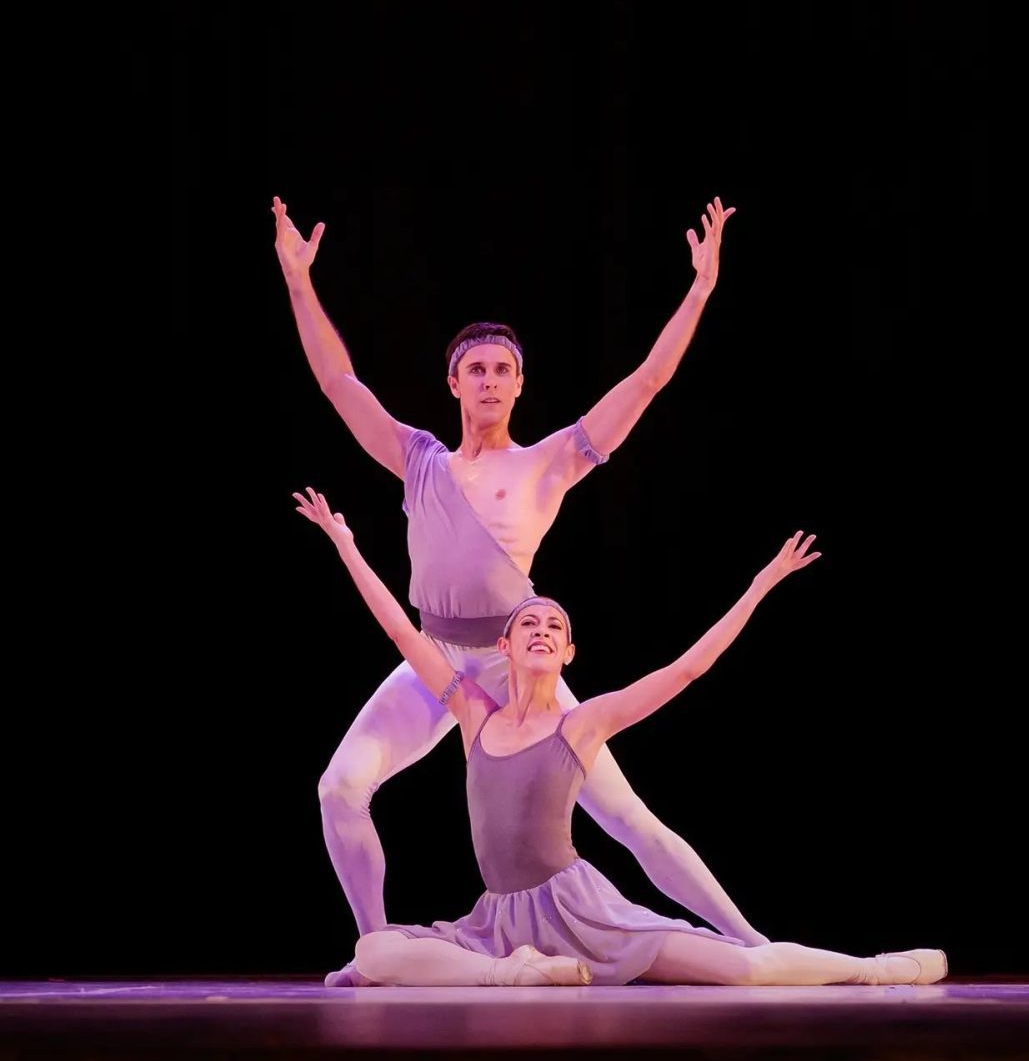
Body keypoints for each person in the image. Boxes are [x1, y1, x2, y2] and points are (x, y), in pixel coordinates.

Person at [274, 194, 776, 984]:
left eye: (503, 370)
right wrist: (300, 282)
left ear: (518, 385)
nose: (490, 381)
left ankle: (752, 942)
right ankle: (374, 951)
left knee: (630, 821)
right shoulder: (420, 461)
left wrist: (702, 288)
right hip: (436, 665)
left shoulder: (546, 462)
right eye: (476, 369)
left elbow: (645, 383)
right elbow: (339, 381)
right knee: (338, 788)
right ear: (453, 383)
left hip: (519, 674)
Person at [295, 487, 948, 988]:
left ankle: (878, 969)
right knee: (374, 949)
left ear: (570, 651)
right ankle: (516, 974)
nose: (542, 630)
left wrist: (760, 586)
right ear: (504, 645)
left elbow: (687, 668)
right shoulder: (475, 716)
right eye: (529, 624)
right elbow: (405, 635)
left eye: (554, 625)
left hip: (587, 913)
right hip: (499, 924)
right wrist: (345, 544)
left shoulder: (582, 723)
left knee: (741, 971)